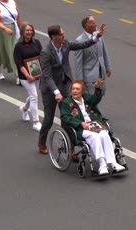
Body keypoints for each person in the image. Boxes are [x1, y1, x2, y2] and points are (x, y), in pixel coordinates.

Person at [37, 24, 106, 154]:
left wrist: (96, 37)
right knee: (49, 119)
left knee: (68, 118)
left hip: (64, 84)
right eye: (61, 34)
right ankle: (41, 142)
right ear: (53, 37)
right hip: (50, 89)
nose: (64, 35)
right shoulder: (46, 52)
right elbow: (47, 76)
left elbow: (81, 45)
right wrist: (56, 92)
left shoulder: (65, 44)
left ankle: (70, 148)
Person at [60, 81, 126, 175]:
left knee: (104, 134)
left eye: (77, 89)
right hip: (81, 128)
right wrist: (80, 123)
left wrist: (97, 88)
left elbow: (95, 99)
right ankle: (102, 164)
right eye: (73, 89)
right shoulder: (67, 103)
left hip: (95, 124)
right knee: (94, 136)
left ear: (82, 91)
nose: (74, 91)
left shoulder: (86, 98)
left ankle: (113, 163)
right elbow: (65, 117)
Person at [13, 22, 42, 131]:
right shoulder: (18, 46)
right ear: (22, 32)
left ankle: (24, 109)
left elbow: (42, 56)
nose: (29, 32)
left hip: (37, 73)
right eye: (27, 30)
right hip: (25, 76)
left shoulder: (37, 43)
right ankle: (36, 122)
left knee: (33, 94)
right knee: (34, 96)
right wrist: (27, 75)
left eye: (31, 30)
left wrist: (41, 71)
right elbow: (18, 63)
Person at [74, 16, 112, 95]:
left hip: (101, 74)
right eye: (93, 23)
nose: (96, 25)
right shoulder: (79, 41)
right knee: (92, 99)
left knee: (100, 95)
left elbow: (104, 51)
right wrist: (80, 81)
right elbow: (78, 63)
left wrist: (108, 67)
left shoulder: (98, 35)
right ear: (86, 26)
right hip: (89, 78)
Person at [0, 0, 22, 84]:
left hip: (13, 28)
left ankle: (18, 75)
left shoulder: (13, 2)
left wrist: (21, 29)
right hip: (1, 30)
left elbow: (18, 17)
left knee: (14, 51)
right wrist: (5, 29)